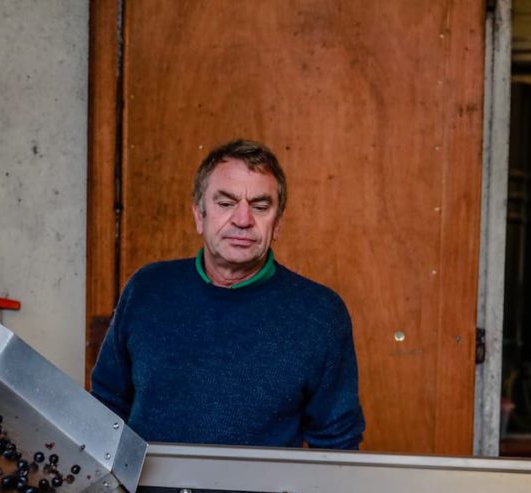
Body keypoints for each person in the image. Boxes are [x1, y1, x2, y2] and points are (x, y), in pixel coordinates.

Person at [91, 139, 365, 449]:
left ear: (277, 224)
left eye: (260, 206)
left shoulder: (320, 314)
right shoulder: (147, 289)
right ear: (199, 215)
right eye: (225, 203)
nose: (243, 220)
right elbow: (105, 406)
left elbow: (336, 445)